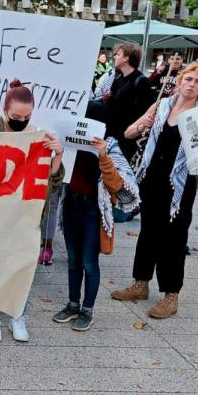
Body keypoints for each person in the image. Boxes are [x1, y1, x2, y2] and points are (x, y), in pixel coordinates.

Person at [0, 80, 64, 342]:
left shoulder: (39, 136)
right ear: (4, 111)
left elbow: (53, 182)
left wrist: (57, 155)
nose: (21, 122)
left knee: (22, 264)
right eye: (15, 117)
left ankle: (17, 314)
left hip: (25, 215)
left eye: (26, 117)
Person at [110, 64, 198, 319]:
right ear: (180, 81)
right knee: (148, 230)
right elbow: (128, 133)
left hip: (180, 185)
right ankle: (141, 283)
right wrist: (144, 124)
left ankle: (171, 295)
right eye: (189, 79)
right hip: (152, 178)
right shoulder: (162, 105)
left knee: (174, 236)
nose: (193, 85)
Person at [52, 101, 139, 332]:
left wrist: (102, 155)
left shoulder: (109, 145)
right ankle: (72, 304)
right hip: (71, 204)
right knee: (73, 260)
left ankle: (87, 309)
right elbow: (55, 174)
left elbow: (118, 184)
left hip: (93, 209)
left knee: (89, 262)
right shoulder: (68, 142)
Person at [96, 43, 154, 160]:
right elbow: (112, 104)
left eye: (118, 54)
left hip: (127, 140)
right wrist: (106, 98)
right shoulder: (119, 78)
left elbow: (146, 112)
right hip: (111, 135)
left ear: (126, 58)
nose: (115, 57)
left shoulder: (141, 81)